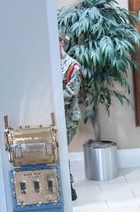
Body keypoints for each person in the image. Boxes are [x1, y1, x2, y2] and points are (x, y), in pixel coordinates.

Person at [59, 32, 82, 201]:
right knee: (58, 152)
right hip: (52, 116)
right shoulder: (49, 64)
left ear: (61, 43)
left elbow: (70, 92)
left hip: (68, 118)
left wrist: (48, 100)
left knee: (60, 151)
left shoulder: (72, 66)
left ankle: (68, 187)